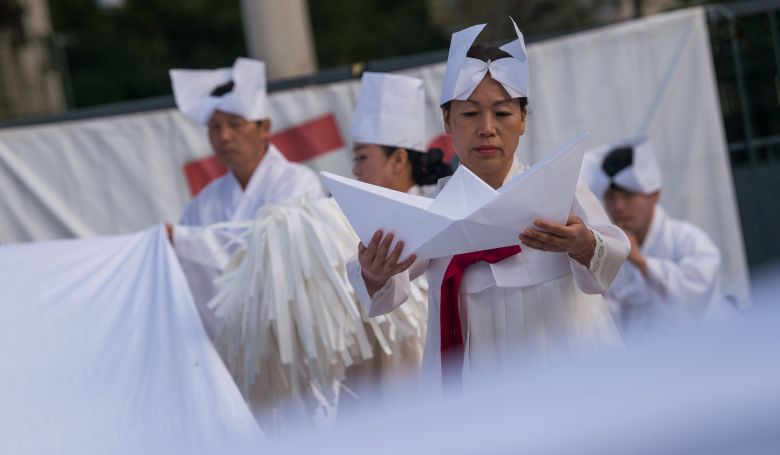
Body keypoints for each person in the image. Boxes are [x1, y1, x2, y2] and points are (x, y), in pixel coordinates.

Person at [346, 19, 630, 389]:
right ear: (447, 121)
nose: (487, 128)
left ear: (524, 119)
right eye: (469, 114)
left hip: (568, 384)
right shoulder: (434, 215)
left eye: (502, 112)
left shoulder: (560, 192)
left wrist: (584, 244)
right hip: (476, 394)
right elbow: (383, 291)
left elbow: (609, 261)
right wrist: (374, 271)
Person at [166, 57, 325, 333]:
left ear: (265, 127)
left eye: (235, 124)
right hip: (226, 341)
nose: (224, 137)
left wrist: (184, 241)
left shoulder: (299, 183)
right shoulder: (202, 203)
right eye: (214, 128)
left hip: (291, 334)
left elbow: (273, 246)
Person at [581, 137, 724, 344]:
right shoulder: (608, 252)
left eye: (628, 196)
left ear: (654, 195)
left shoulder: (690, 240)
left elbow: (695, 295)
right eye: (611, 198)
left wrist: (642, 263)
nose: (619, 207)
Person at [351, 72, 452, 196]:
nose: (355, 170)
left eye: (362, 157)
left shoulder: (430, 211)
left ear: (398, 160)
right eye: (355, 159)